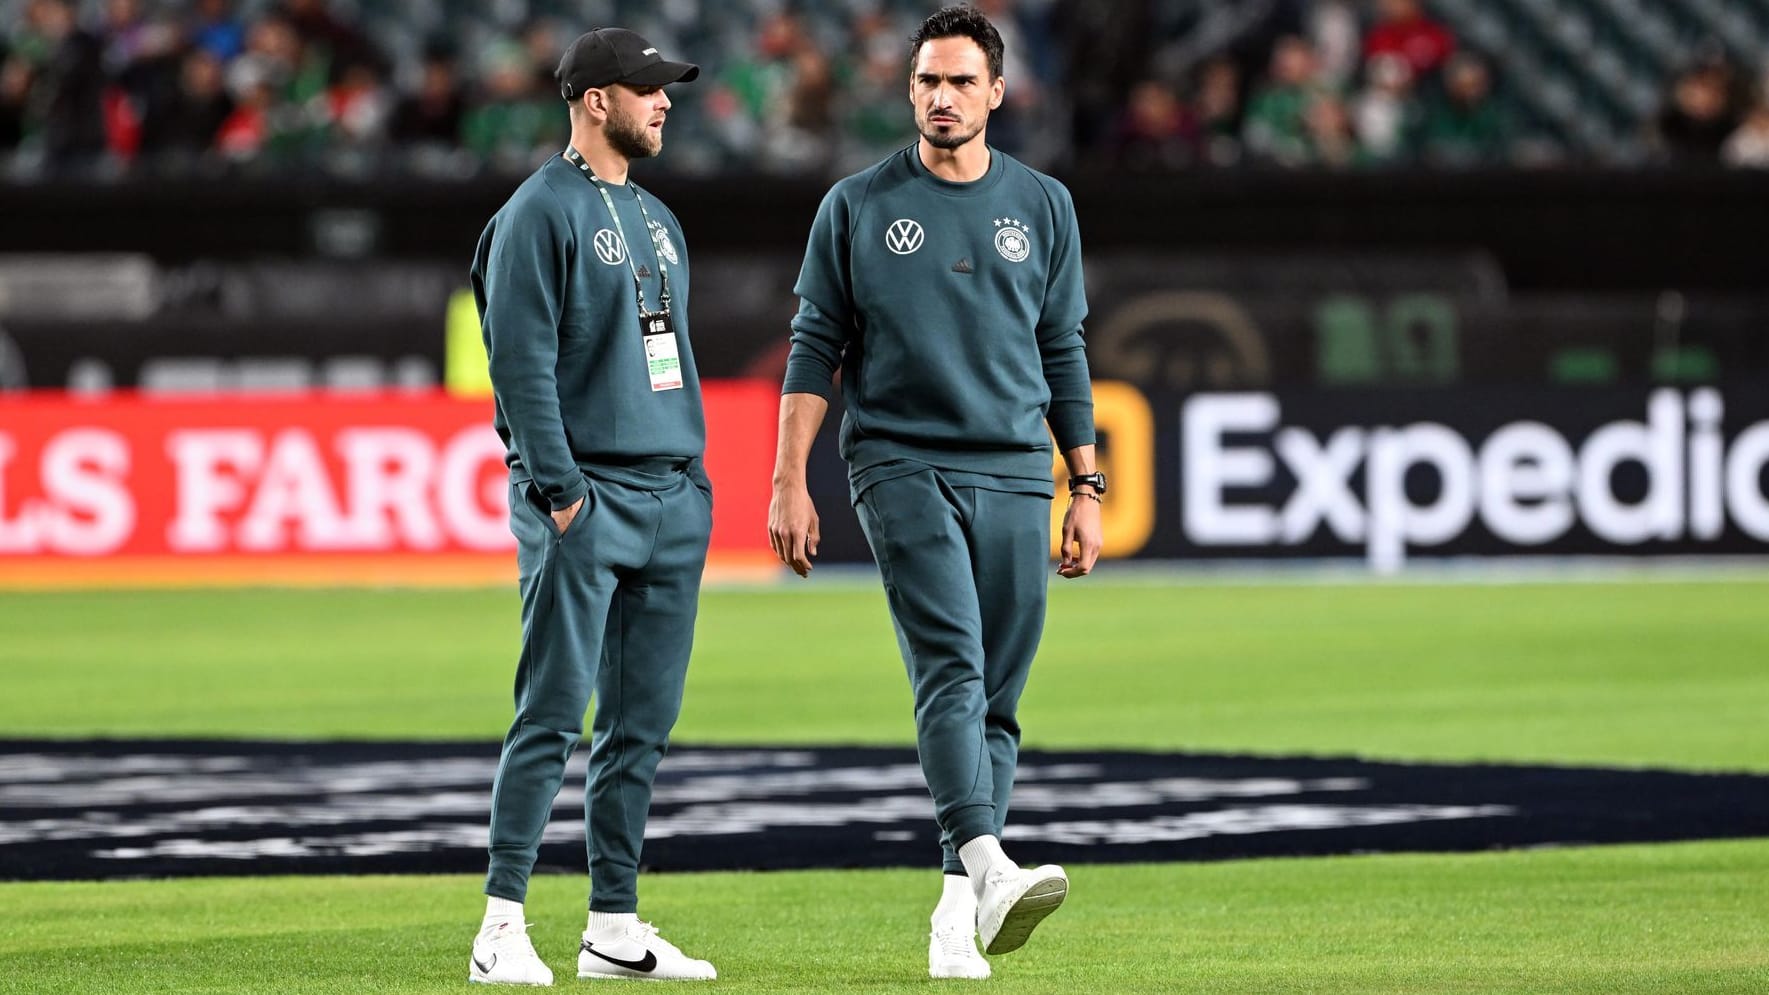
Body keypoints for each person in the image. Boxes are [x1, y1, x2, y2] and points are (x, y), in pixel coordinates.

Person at [767, 4, 1101, 982]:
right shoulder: (857, 204)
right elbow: (812, 348)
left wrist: (1084, 483)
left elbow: (1061, 350)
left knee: (997, 696)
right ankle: (991, 859)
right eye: (926, 82)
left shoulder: (1043, 206)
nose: (941, 97)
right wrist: (788, 476)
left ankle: (956, 912)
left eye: (960, 81)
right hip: (898, 460)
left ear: (997, 91)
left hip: (1010, 466)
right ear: (908, 90)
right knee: (951, 664)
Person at [467, 26, 716, 985]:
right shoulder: (538, 213)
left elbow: (666, 356)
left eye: (666, 89)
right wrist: (560, 494)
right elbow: (519, 366)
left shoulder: (658, 219)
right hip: (587, 500)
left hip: (670, 496)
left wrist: (692, 484)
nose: (663, 102)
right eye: (645, 88)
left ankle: (613, 922)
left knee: (639, 727)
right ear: (592, 99)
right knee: (551, 715)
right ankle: (500, 926)